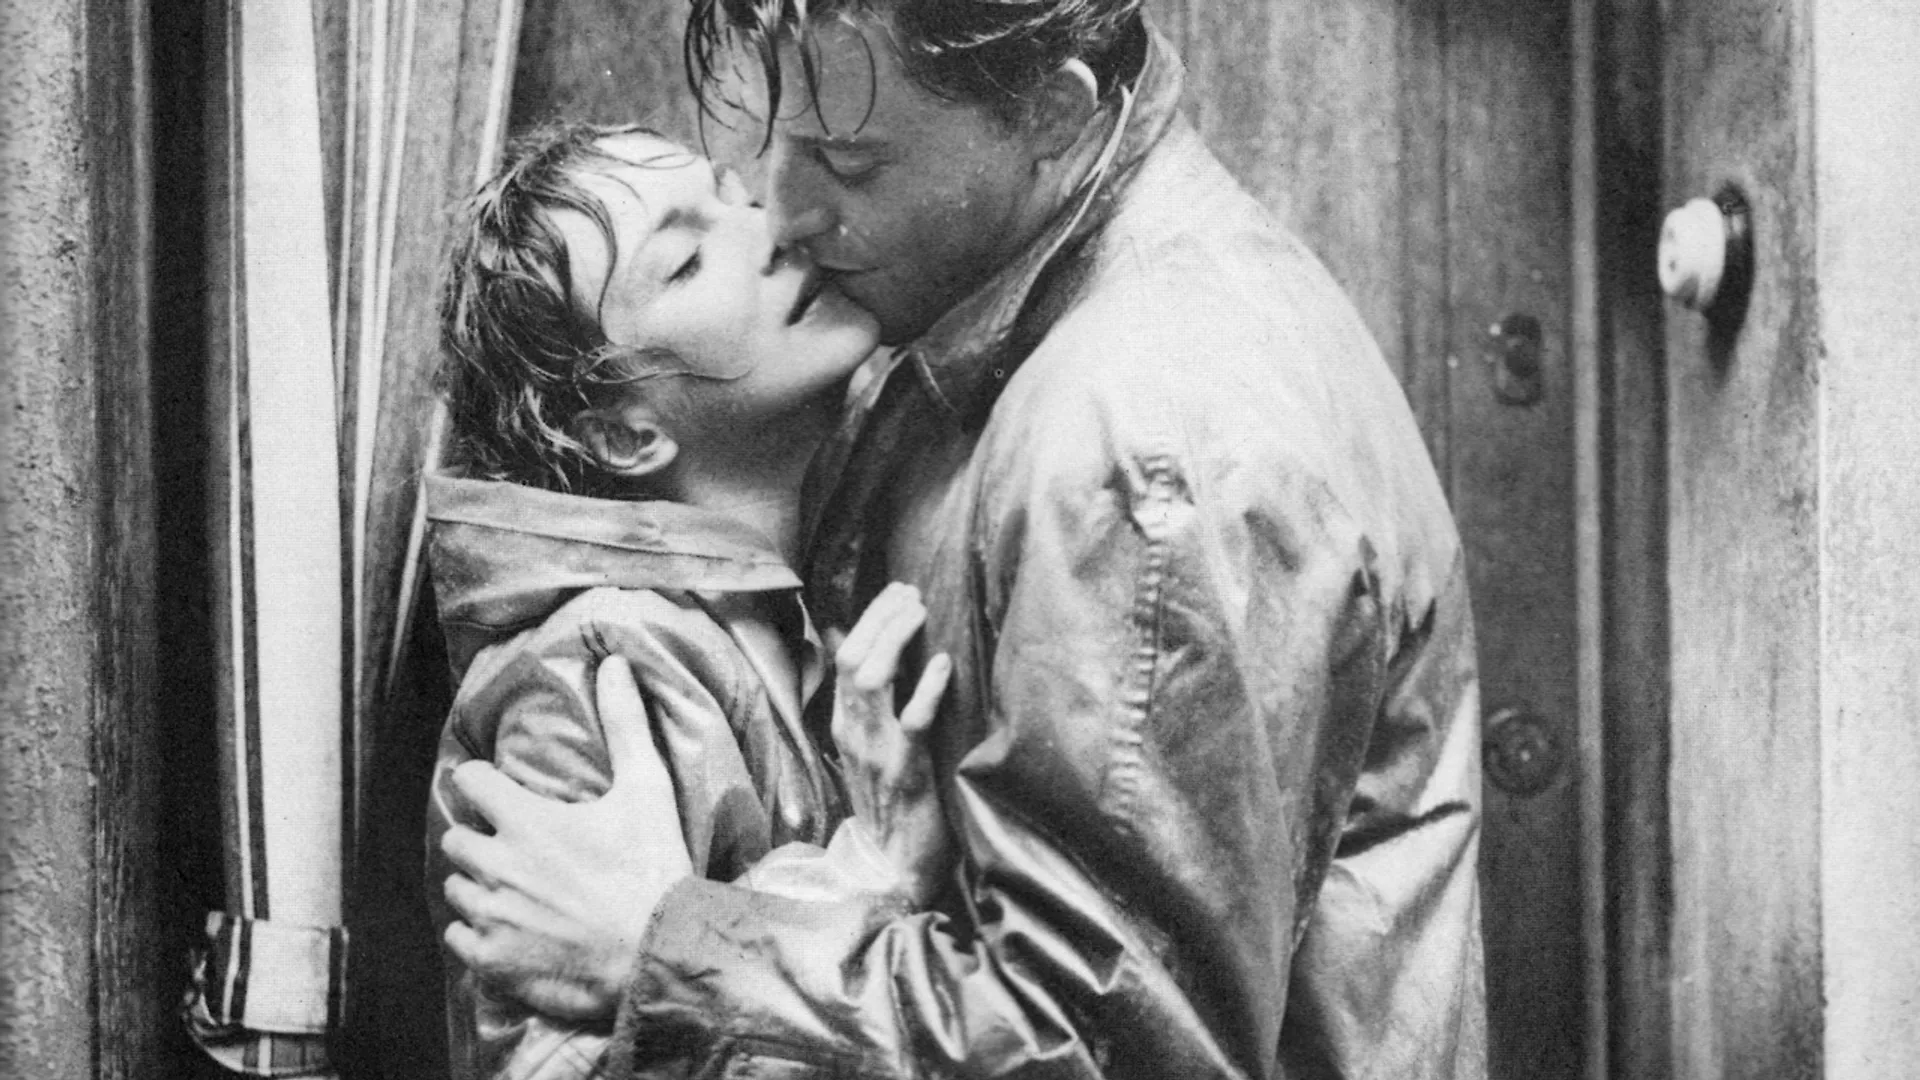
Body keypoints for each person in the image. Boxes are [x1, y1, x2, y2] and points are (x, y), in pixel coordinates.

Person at [441, 3, 1488, 1077]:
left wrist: (666, 949)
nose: (783, 211)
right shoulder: (962, 323)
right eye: (777, 143)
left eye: (849, 159)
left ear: (1050, 114)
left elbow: (1109, 1050)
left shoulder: (1143, 441)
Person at [424, 121, 954, 1080]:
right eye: (688, 259)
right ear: (625, 436)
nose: (773, 228)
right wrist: (869, 874)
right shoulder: (592, 672)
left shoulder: (796, 617)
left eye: (733, 196)